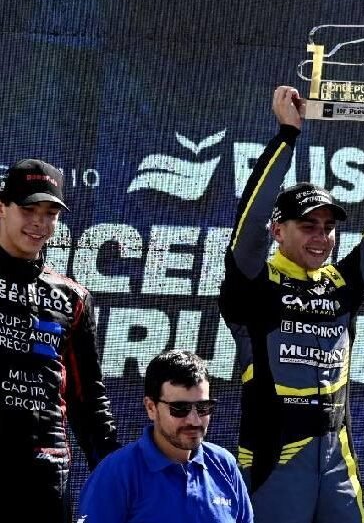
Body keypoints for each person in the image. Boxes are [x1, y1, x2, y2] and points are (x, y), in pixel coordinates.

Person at [219, 85, 364, 523]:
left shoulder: (343, 283)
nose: (321, 237)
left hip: (336, 458)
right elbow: (250, 218)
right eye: (308, 225)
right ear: (278, 231)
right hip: (274, 458)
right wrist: (287, 135)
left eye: (328, 227)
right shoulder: (252, 282)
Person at [0, 159, 119, 521]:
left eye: (50, 213)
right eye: (29, 209)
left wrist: (118, 474)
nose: (39, 222)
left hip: (44, 472)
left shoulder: (72, 297)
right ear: (2, 208)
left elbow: (89, 400)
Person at [77, 349, 253, 523]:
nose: (194, 420)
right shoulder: (116, 472)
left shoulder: (224, 464)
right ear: (151, 407)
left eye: (203, 407)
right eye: (179, 408)